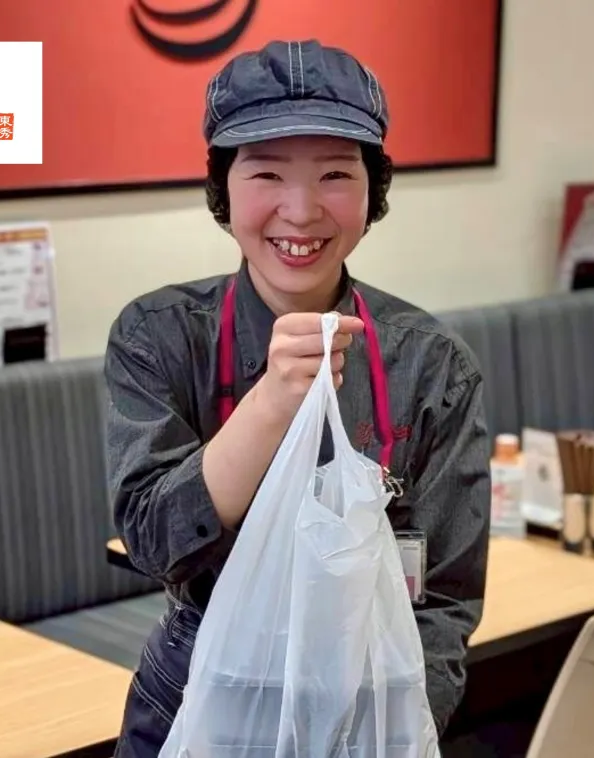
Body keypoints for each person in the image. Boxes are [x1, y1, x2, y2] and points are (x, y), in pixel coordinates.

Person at [104, 39, 491, 757]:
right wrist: (272, 400)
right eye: (267, 172)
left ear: (373, 191)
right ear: (223, 189)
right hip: (195, 704)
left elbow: (443, 599)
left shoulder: (432, 365)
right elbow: (154, 545)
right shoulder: (159, 335)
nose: (301, 210)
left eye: (336, 174)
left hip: (369, 708)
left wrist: (391, 731)